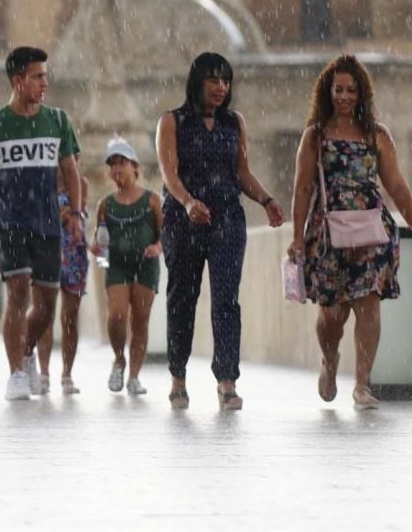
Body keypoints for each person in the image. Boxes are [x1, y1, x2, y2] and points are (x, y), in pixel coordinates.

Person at [0, 47, 83, 402]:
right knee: (18, 293)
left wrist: (78, 216)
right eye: (38, 77)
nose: (45, 83)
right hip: (9, 221)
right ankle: (16, 373)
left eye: (45, 76)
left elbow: (71, 171)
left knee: (48, 303)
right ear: (18, 81)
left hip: (49, 222)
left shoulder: (58, 121)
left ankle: (26, 350)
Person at [157, 52, 283, 411]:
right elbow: (169, 172)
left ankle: (227, 381)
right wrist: (187, 202)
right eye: (213, 79)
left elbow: (241, 170)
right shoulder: (173, 121)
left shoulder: (234, 122)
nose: (220, 87)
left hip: (227, 219)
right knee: (183, 297)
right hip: (184, 221)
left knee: (226, 301)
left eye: (225, 80)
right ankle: (178, 377)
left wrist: (266, 199)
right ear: (198, 82)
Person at [288, 55, 411, 410]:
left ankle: (362, 385)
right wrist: (298, 237)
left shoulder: (377, 135)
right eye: (338, 89)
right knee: (332, 317)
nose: (344, 96)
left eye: (351, 90)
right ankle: (329, 360)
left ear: (361, 94)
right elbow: (302, 189)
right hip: (328, 235)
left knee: (369, 306)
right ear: (328, 92)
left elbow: (398, 188)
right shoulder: (316, 136)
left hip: (372, 232)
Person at [91, 138, 162, 397]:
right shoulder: (105, 205)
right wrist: (97, 253)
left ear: (135, 166)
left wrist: (158, 247)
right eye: (112, 165)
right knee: (117, 316)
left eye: (122, 163)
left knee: (140, 322)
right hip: (118, 266)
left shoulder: (152, 200)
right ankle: (119, 358)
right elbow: (100, 238)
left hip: (146, 265)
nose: (117, 169)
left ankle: (134, 376)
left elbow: (165, 233)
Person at [36, 162, 89, 395]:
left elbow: (79, 212)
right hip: (46, 250)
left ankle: (67, 374)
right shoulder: (39, 182)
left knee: (70, 317)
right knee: (43, 314)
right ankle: (44, 372)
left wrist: (62, 213)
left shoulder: (80, 183)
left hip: (74, 253)